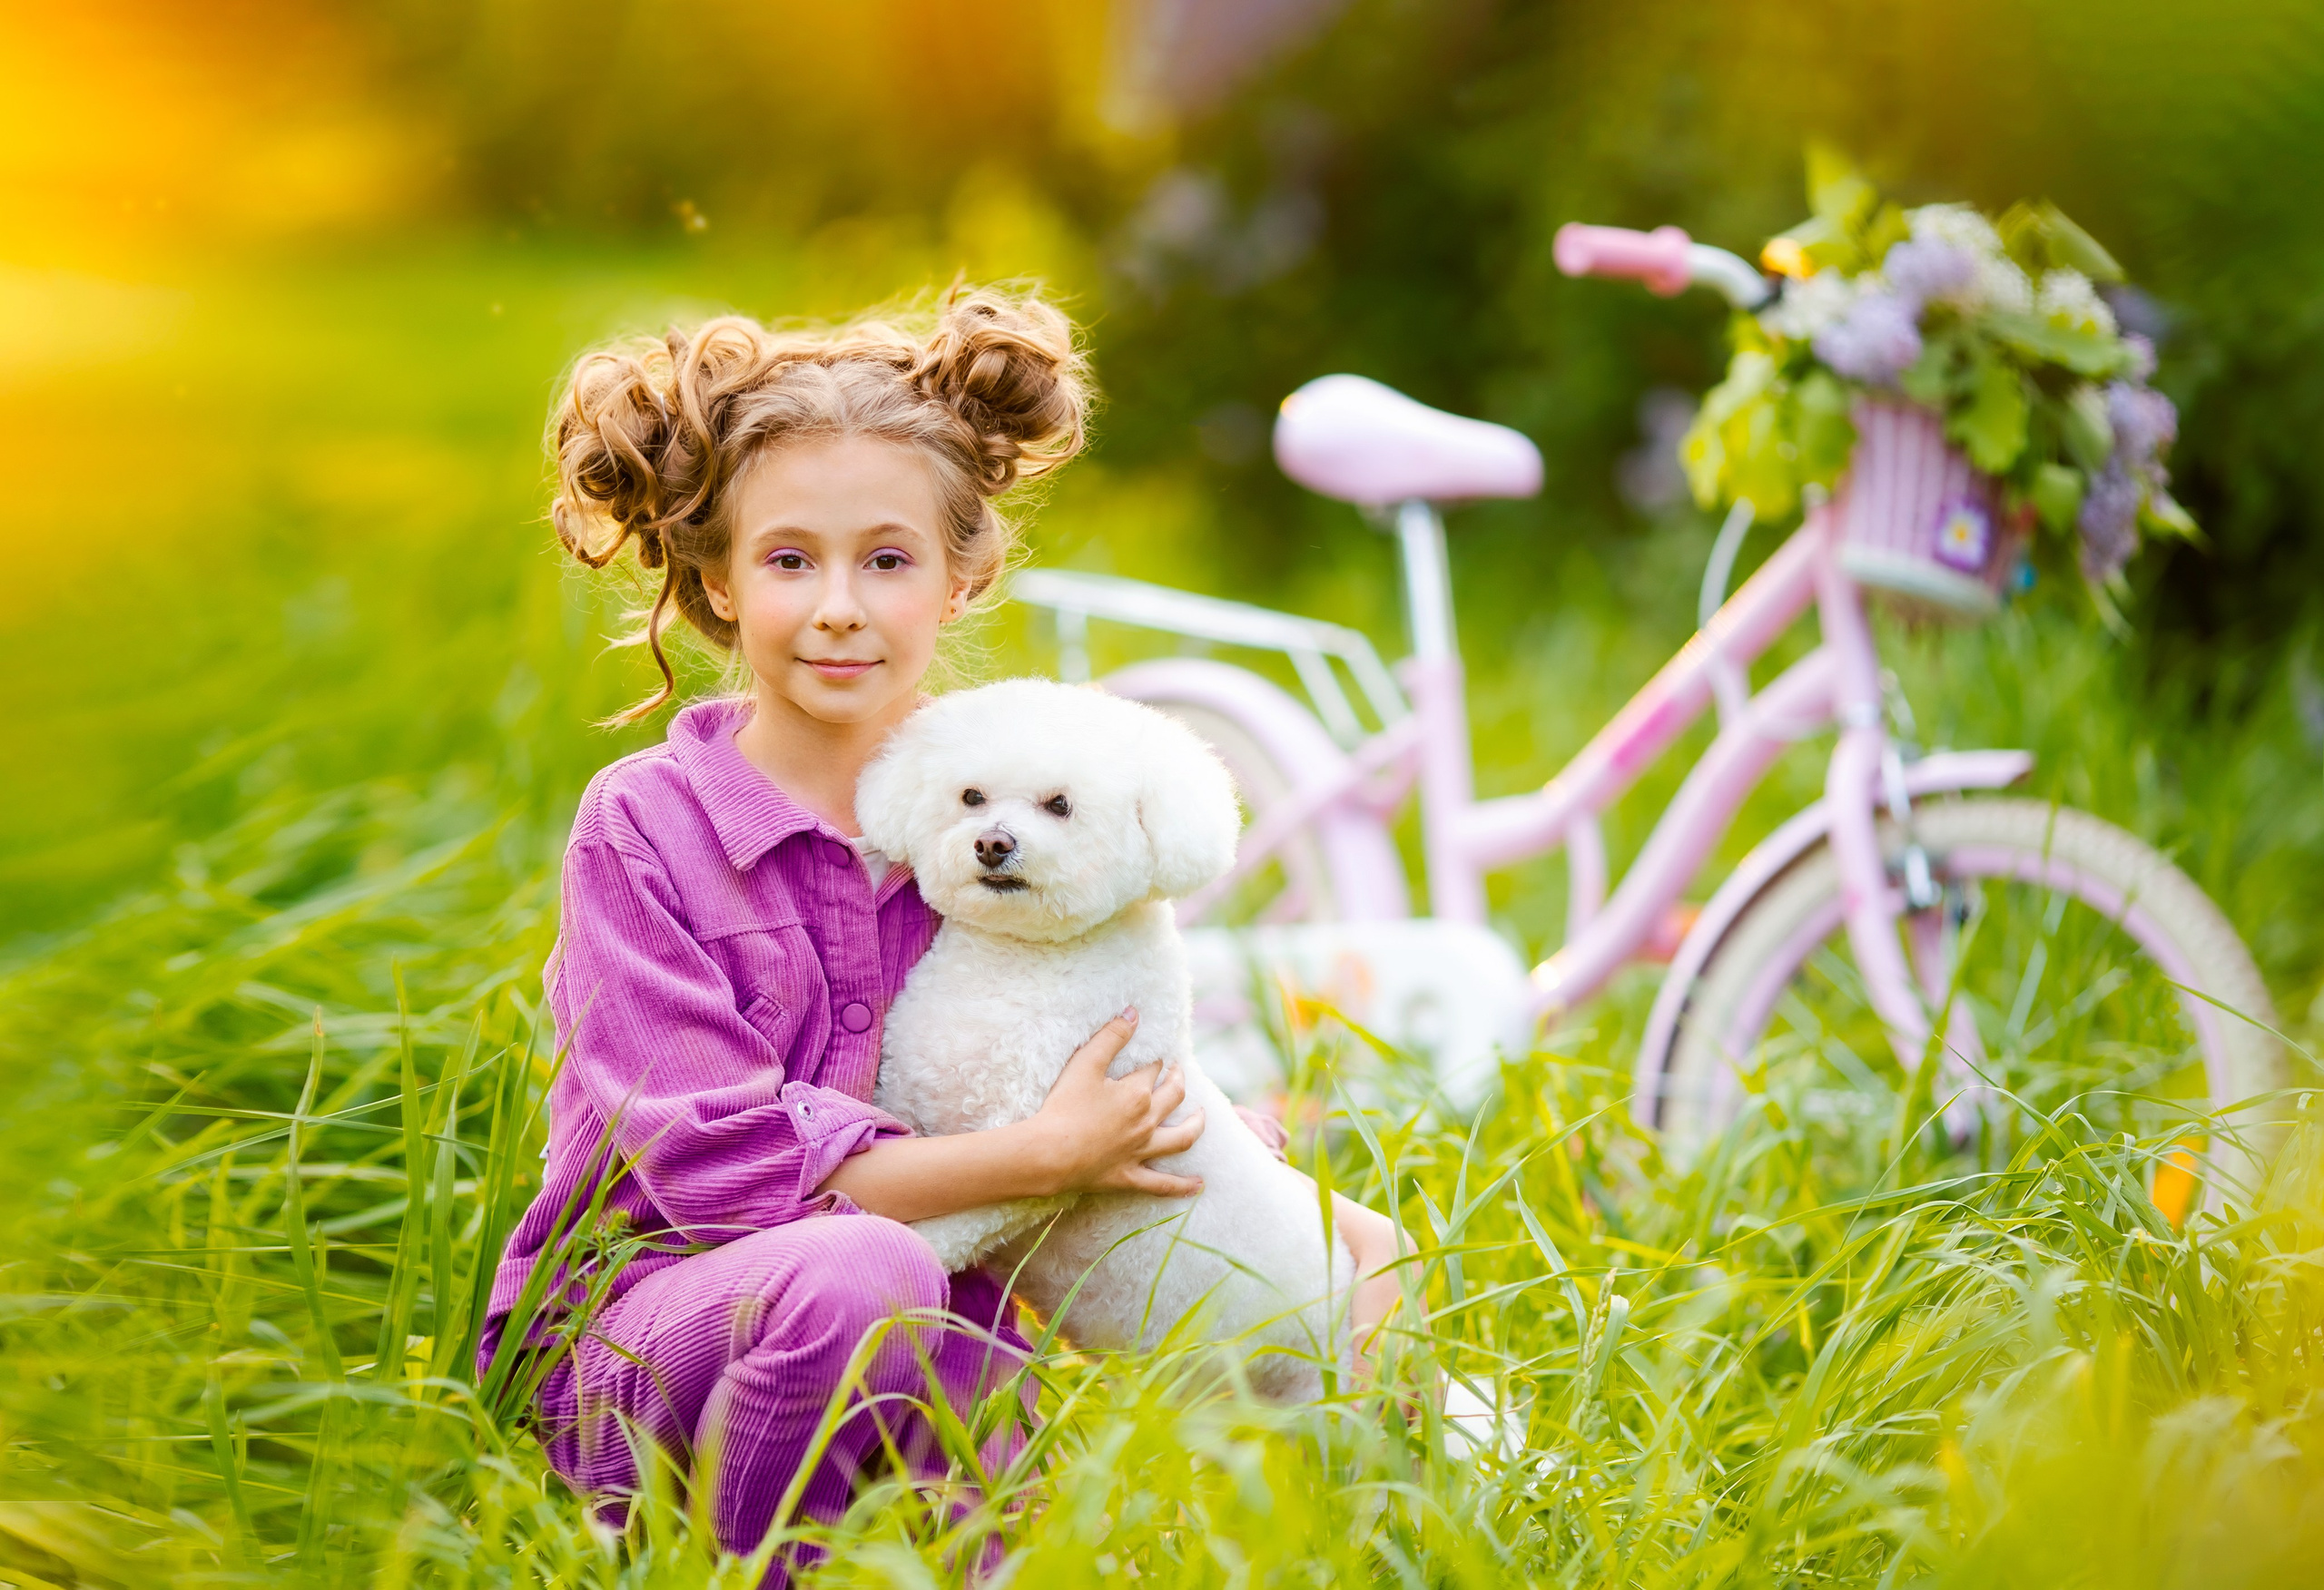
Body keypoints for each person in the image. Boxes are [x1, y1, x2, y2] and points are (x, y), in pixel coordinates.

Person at [478, 286, 1401, 1576]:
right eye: (791, 559)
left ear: (963, 575)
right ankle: (720, 1564)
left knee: (1320, 1262)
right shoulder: (646, 826)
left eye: (889, 559)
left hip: (940, 1374)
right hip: (659, 1352)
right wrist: (1040, 1156)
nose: (842, 606)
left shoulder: (1004, 836)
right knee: (861, 1271)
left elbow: (1086, 1055)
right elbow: (716, 1173)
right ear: (715, 580)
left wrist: (1282, 1200)